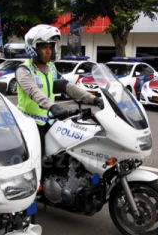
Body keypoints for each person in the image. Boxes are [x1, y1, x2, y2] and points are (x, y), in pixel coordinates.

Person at [16, 24, 101, 157]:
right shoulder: (24, 70)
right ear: (33, 48)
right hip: (31, 124)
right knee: (41, 161)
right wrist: (53, 107)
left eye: (50, 47)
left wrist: (94, 99)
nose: (48, 51)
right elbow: (34, 92)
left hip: (51, 120)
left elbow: (68, 87)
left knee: (68, 151)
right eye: (44, 47)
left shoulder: (51, 68)